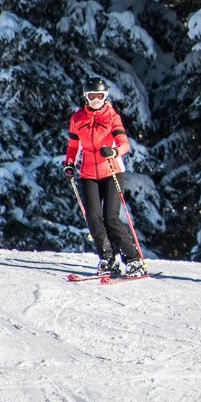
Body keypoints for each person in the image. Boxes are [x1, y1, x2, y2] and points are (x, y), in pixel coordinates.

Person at [63, 79, 146, 278]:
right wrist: (69, 163)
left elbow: (124, 144)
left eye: (100, 96)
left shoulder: (112, 117)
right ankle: (107, 259)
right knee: (93, 217)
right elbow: (74, 145)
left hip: (111, 170)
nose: (96, 100)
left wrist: (114, 151)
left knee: (111, 217)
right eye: (92, 96)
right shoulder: (77, 118)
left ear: (105, 96)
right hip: (88, 173)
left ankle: (134, 260)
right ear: (86, 97)